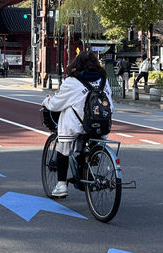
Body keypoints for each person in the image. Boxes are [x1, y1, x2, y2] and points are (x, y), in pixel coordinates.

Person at [42, 50, 114, 198]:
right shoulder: (103, 80)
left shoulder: (72, 82)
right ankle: (92, 157)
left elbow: (57, 104)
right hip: (101, 124)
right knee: (88, 143)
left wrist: (46, 101)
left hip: (77, 127)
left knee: (63, 148)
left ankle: (61, 185)